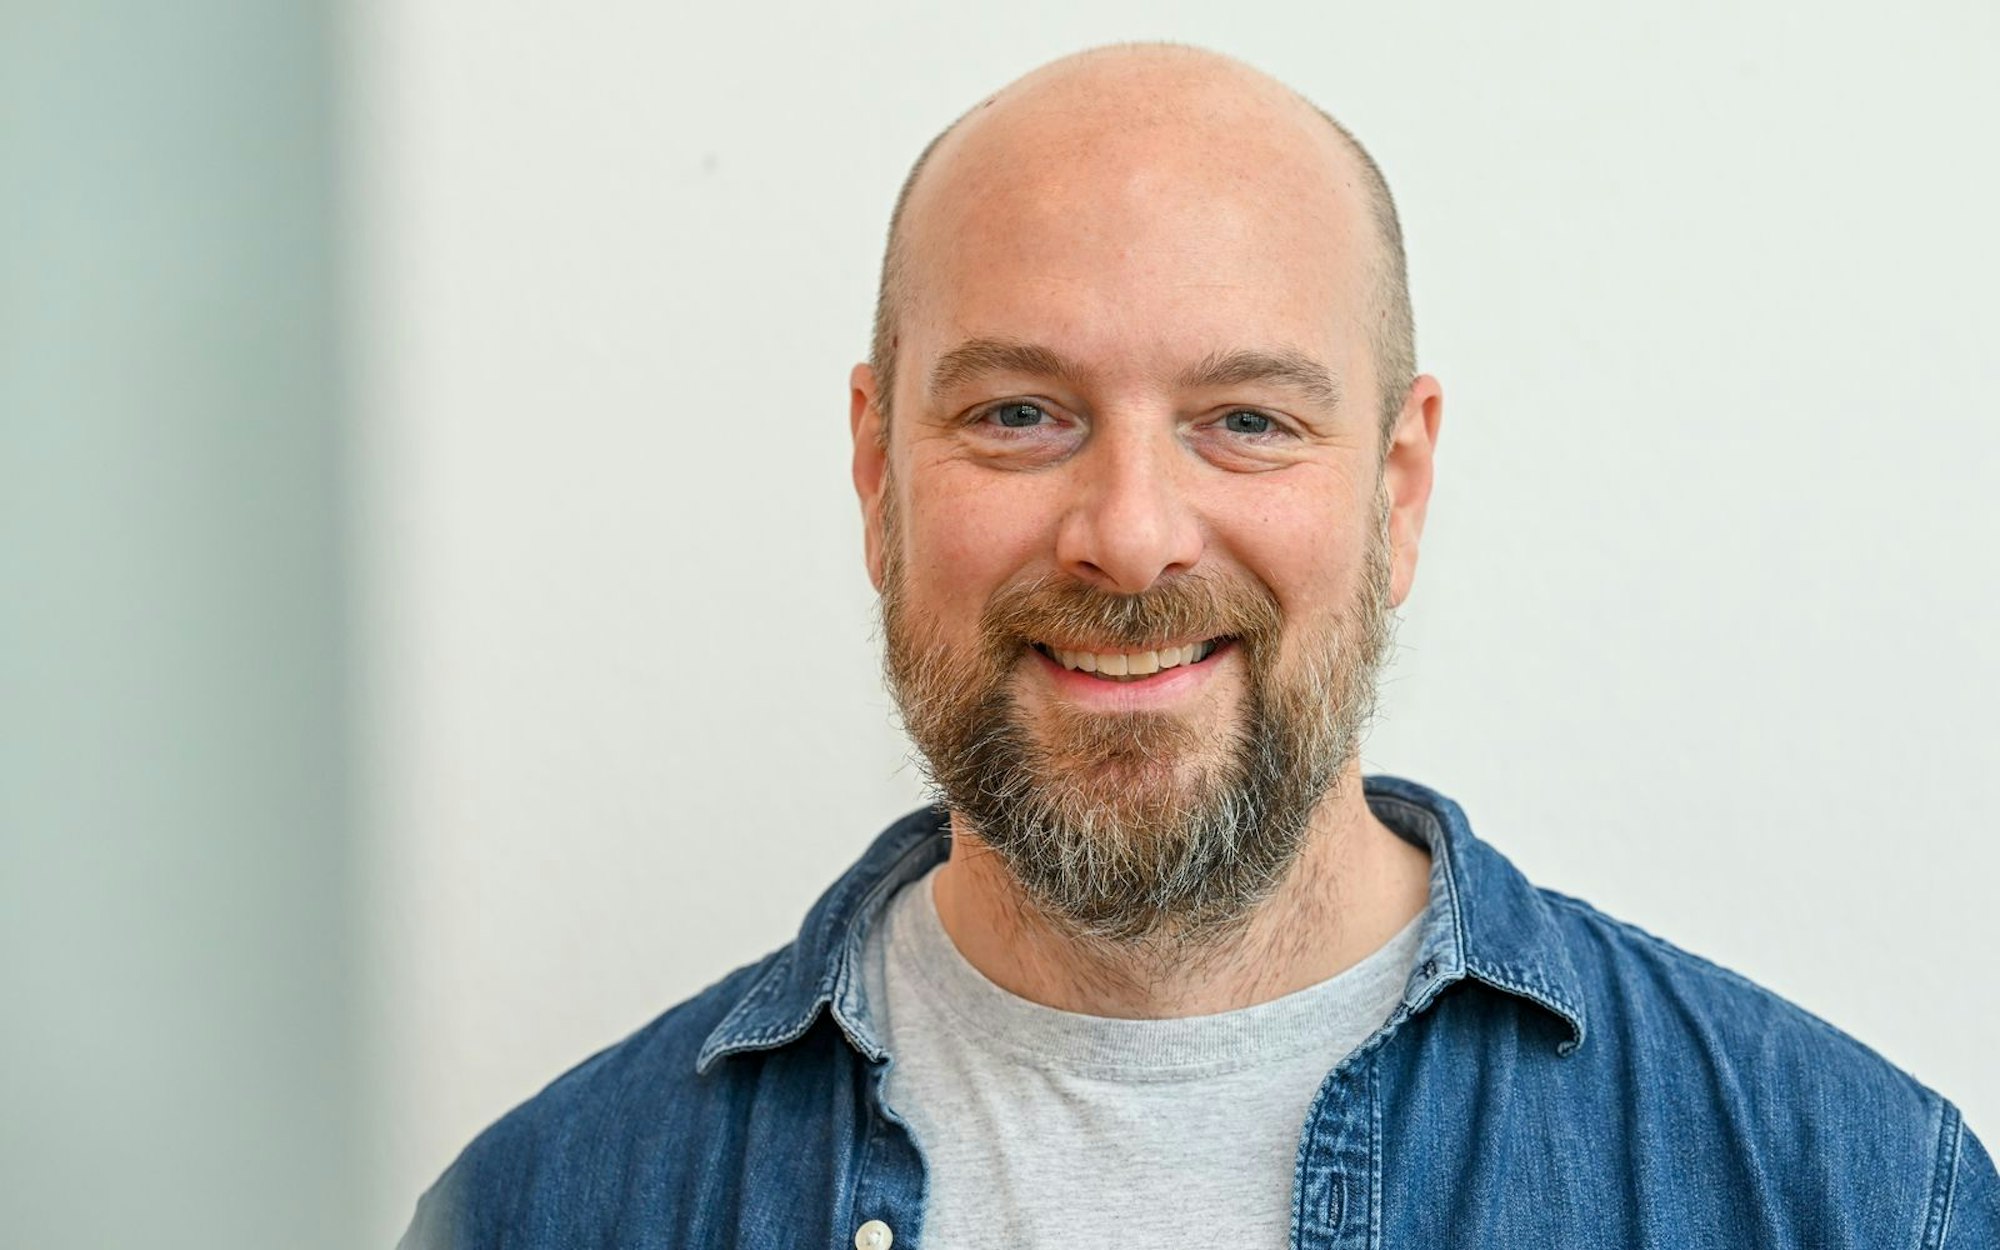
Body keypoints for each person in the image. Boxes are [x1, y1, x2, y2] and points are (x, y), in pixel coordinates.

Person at [401, 42, 1997, 1249]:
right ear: (880, 467)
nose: (1133, 531)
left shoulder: (1844, 1193)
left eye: (1246, 419)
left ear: (1398, 485)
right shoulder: (542, 1210)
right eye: (1020, 413)